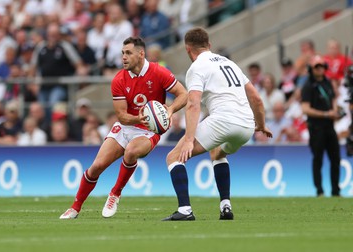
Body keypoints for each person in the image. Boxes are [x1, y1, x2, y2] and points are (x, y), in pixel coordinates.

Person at [59, 36, 187, 219]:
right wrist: (138, 117)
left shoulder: (159, 72)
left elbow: (184, 94)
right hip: (127, 124)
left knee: (131, 152)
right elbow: (121, 116)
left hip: (149, 129)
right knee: (96, 166)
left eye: (128, 53)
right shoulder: (119, 79)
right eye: (122, 53)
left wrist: (171, 109)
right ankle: (75, 207)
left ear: (141, 54)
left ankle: (115, 193)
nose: (124, 57)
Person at [162, 27, 272, 221]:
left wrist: (188, 139)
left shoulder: (196, 67)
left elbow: (193, 104)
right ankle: (225, 206)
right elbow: (256, 98)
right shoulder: (230, 63)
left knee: (174, 158)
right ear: (209, 45)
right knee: (218, 153)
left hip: (223, 120)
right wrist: (261, 125)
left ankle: (185, 211)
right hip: (246, 125)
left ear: (188, 49)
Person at [300, 55, 341, 197]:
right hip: (316, 128)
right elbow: (305, 109)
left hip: (330, 127)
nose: (320, 69)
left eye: (322, 66)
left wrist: (335, 110)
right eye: (317, 66)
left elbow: (333, 98)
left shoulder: (327, 82)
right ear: (311, 69)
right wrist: (326, 114)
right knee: (318, 159)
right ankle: (319, 190)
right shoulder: (308, 86)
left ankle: (336, 190)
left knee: (335, 159)